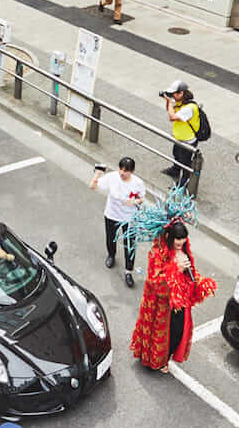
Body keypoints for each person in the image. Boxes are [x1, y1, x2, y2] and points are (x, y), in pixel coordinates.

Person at [129, 218, 216, 374]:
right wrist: (176, 269)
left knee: (178, 333)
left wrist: (201, 283)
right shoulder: (157, 253)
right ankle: (157, 361)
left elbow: (191, 273)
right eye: (178, 241)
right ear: (169, 237)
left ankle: (166, 357)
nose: (181, 244)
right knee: (164, 334)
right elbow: (155, 282)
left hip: (181, 300)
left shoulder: (184, 250)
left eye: (183, 240)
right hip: (161, 304)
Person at [89, 157, 145, 288]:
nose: (122, 172)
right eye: (121, 169)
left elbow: (141, 198)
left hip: (130, 218)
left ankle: (128, 271)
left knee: (130, 245)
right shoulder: (112, 177)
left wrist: (134, 202)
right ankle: (111, 255)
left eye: (125, 171)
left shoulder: (138, 183)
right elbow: (93, 186)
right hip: (112, 214)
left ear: (132, 171)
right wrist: (97, 173)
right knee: (111, 238)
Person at [161, 80, 199, 189]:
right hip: (179, 138)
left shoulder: (189, 108)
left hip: (188, 141)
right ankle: (175, 170)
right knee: (176, 155)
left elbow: (172, 117)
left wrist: (169, 102)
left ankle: (184, 183)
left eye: (174, 93)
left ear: (181, 93)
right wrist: (168, 102)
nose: (172, 95)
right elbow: (170, 110)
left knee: (185, 163)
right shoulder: (181, 102)